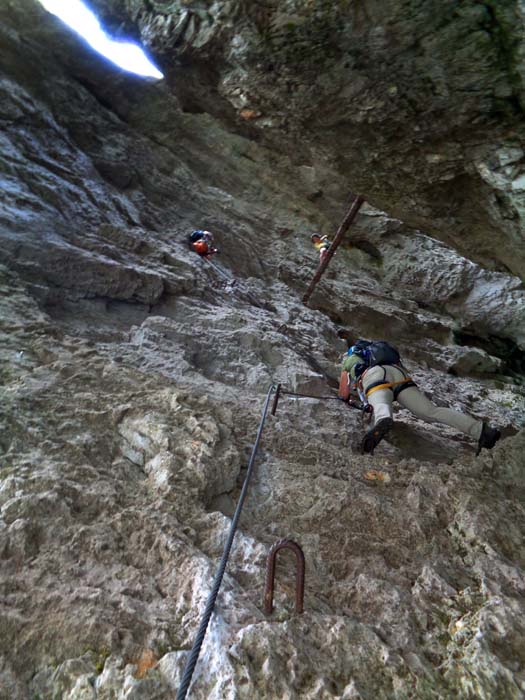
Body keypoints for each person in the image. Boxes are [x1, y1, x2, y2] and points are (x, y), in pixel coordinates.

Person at [339, 339, 502, 455]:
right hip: (399, 374)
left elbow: (344, 393)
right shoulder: (381, 353)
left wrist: (346, 399)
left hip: (374, 375)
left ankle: (383, 419)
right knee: (431, 412)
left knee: (380, 402)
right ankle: (482, 431)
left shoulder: (350, 359)